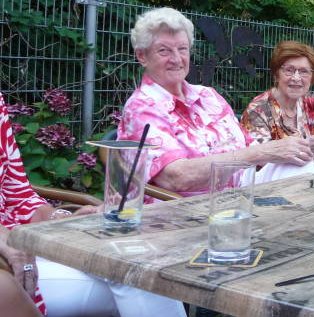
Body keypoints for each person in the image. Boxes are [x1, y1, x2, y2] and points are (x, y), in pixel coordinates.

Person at [0, 93, 186, 316]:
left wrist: (60, 219)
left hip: (22, 243)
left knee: (137, 258)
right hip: (9, 263)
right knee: (139, 278)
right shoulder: (145, 102)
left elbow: (16, 192)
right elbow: (177, 176)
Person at [118, 7, 313, 197]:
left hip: (240, 193)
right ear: (142, 56)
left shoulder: (208, 96)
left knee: (300, 161)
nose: (176, 59)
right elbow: (176, 178)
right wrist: (262, 153)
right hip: (188, 207)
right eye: (164, 51)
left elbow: (250, 145)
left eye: (182, 49)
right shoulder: (142, 108)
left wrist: (299, 146)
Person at [241, 40, 314, 182]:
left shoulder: (310, 105)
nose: (296, 78)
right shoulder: (258, 110)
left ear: (312, 78)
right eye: (289, 70)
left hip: (301, 183)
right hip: (263, 185)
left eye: (304, 71)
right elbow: (259, 160)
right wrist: (307, 145)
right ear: (276, 75)